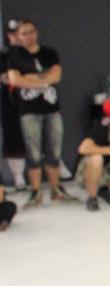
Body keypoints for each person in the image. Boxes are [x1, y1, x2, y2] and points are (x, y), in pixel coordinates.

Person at [5, 18, 79, 207]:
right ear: (18, 36)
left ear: (36, 32)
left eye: (31, 31)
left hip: (52, 109)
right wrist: (43, 78)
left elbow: (56, 76)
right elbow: (15, 80)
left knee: (54, 149)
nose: (29, 36)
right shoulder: (15, 56)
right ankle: (36, 192)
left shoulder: (49, 53)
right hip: (28, 110)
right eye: (24, 33)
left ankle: (56, 189)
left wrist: (31, 78)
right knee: (33, 152)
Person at [0, 19, 27, 191]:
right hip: (11, 102)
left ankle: (56, 166)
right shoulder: (4, 55)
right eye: (14, 33)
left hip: (39, 102)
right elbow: (5, 78)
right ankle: (18, 176)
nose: (17, 36)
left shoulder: (36, 53)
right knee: (14, 136)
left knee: (48, 131)